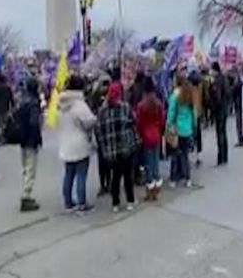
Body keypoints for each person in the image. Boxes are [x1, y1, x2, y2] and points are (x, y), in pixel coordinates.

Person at [95, 82, 139, 213]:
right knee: (127, 176)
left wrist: (104, 148)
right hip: (126, 147)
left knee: (115, 177)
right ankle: (130, 201)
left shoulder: (102, 111)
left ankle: (115, 203)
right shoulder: (125, 107)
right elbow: (133, 123)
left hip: (111, 151)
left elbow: (99, 131)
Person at [57, 75, 98, 213]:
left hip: (66, 144)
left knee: (68, 174)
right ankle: (82, 203)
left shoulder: (61, 104)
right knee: (81, 175)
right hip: (80, 144)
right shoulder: (79, 104)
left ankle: (68, 202)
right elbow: (89, 121)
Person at [16, 78, 43, 212]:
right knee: (31, 169)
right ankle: (26, 196)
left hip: (22, 139)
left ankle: (26, 194)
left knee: (25, 167)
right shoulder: (33, 103)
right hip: (30, 140)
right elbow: (34, 123)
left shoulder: (22, 100)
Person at [136, 79, 164, 200]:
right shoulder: (158, 104)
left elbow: (139, 123)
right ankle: (157, 188)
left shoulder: (141, 105)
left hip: (146, 137)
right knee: (156, 161)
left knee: (148, 164)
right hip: (156, 134)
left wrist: (141, 135)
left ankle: (150, 190)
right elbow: (162, 120)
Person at [167, 75, 197, 187]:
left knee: (175, 155)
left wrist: (168, 126)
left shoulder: (175, 96)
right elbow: (193, 112)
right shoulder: (188, 94)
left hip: (177, 129)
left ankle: (174, 179)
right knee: (185, 154)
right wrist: (194, 125)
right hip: (187, 129)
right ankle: (187, 178)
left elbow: (171, 113)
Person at [209, 62, 229, 166]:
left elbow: (217, 97)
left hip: (219, 111)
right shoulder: (224, 79)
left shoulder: (216, 81)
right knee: (224, 133)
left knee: (220, 133)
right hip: (224, 109)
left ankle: (220, 158)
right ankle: (225, 156)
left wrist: (214, 108)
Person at [232, 70, 243, 147]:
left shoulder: (237, 83)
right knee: (242, 122)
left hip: (239, 105)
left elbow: (233, 93)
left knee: (239, 122)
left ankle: (240, 139)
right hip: (242, 104)